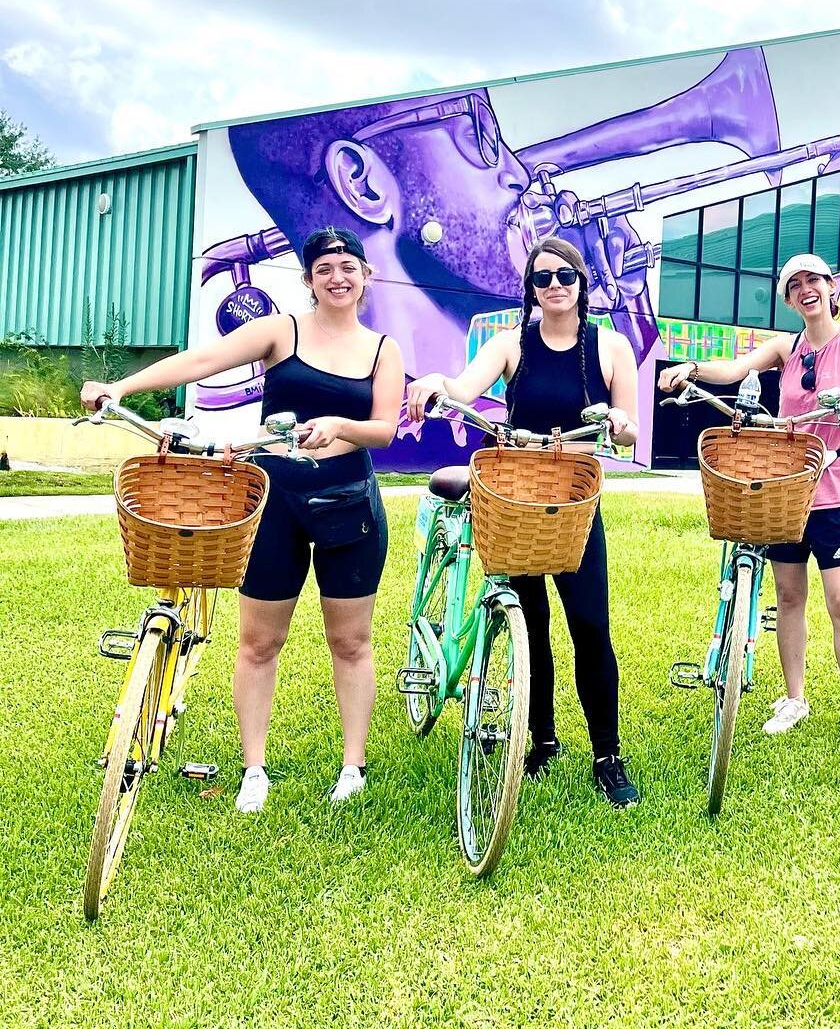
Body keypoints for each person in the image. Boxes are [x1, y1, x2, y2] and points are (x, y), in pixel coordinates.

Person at [81, 227, 404, 810]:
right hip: (273, 501)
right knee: (258, 642)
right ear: (308, 280)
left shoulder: (382, 349)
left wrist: (341, 426)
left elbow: (384, 429)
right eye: (325, 267)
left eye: (348, 266)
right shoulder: (281, 331)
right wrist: (120, 386)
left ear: (365, 277)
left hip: (349, 504)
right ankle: (254, 768)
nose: (338, 276)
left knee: (351, 642)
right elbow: (203, 360)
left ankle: (353, 767)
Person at [405, 236, 643, 808]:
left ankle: (607, 753)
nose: (554, 285)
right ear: (530, 289)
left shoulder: (610, 348)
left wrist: (616, 420)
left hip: (575, 503)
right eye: (542, 279)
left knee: (591, 628)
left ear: (583, 281)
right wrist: (439, 384)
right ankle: (539, 738)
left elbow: (632, 429)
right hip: (514, 500)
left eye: (565, 275)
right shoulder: (513, 345)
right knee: (529, 623)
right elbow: (465, 387)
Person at [658, 253, 840, 762]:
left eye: (814, 281)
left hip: (837, 489)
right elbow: (736, 367)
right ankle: (794, 698)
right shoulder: (786, 348)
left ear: (832, 287)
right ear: (787, 298)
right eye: (795, 285)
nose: (806, 290)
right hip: (788, 487)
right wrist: (693, 367)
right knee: (788, 596)